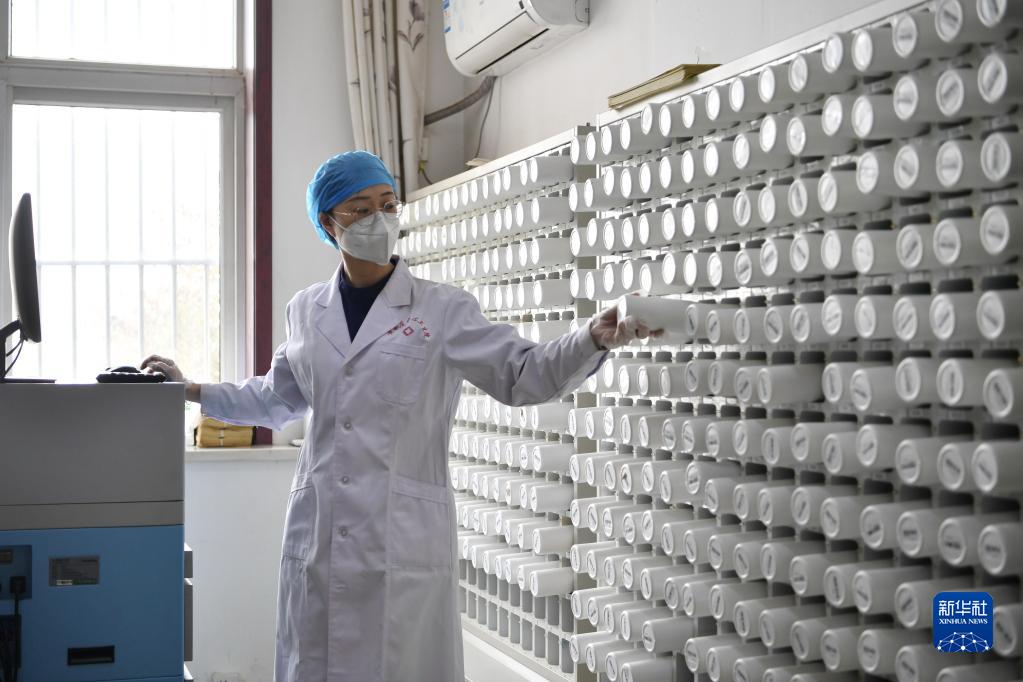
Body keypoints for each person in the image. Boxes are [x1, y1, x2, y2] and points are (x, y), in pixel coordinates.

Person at [143, 151, 660, 682]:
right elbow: (276, 398)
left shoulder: (443, 310)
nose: (380, 219)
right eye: (361, 208)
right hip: (320, 530)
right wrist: (193, 389)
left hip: (402, 535)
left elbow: (524, 373)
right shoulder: (305, 310)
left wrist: (591, 338)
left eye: (388, 205)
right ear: (329, 223)